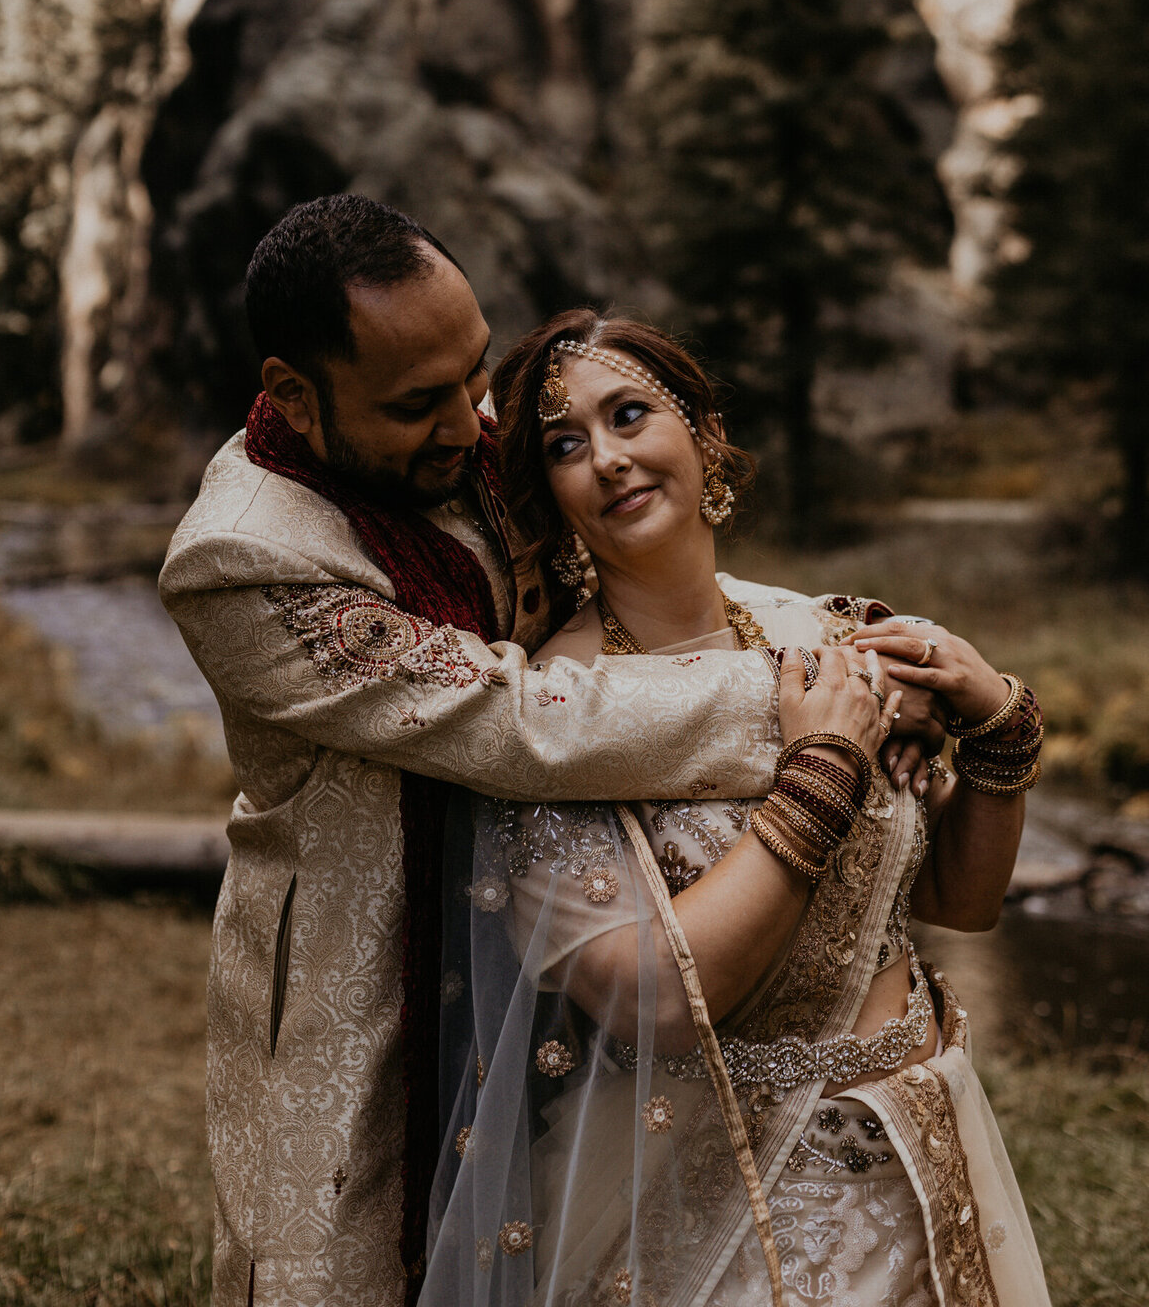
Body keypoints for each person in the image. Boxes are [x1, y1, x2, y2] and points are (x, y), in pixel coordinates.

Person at [158, 196, 938, 1307]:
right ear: (293, 393)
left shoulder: (456, 441)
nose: (472, 423)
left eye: (474, 374)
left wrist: (865, 642)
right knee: (349, 1271)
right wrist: (821, 705)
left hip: (556, 923)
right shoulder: (241, 558)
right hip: (369, 978)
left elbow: (646, 574)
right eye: (420, 402)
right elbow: (522, 721)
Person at [421, 309, 1049, 1307]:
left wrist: (1002, 731)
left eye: (631, 415)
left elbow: (956, 902)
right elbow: (657, 1002)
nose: (611, 459)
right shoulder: (556, 716)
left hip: (928, 1152)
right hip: (730, 1206)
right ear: (551, 499)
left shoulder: (829, 633)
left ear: (706, 437)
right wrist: (820, 774)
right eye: (566, 445)